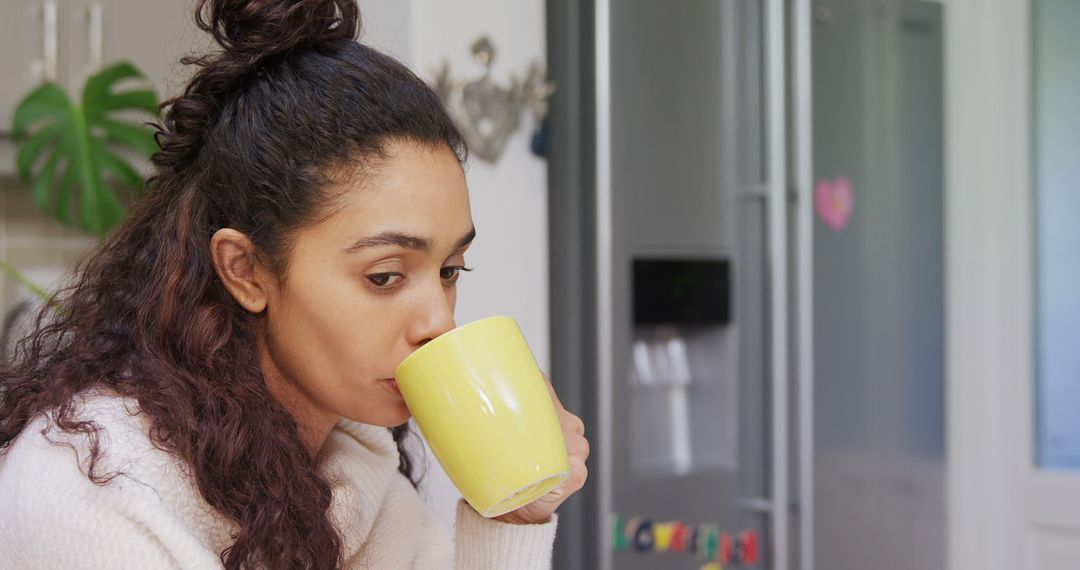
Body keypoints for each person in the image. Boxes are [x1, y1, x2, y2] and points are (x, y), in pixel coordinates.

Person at [0, 0, 589, 568]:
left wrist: (513, 516)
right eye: (384, 276)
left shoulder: (357, 461)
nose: (438, 322)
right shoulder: (93, 485)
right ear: (246, 270)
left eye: (448, 271)